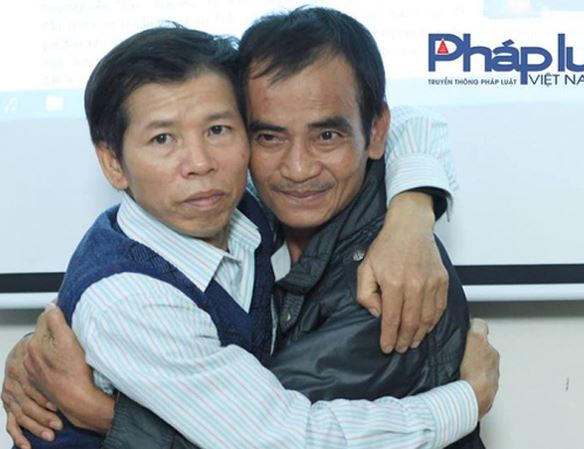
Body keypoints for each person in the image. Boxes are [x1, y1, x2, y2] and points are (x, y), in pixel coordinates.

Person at [3, 12, 499, 449]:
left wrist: (413, 211)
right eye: (163, 139)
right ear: (113, 163)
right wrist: (466, 401)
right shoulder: (133, 298)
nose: (199, 163)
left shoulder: (253, 211)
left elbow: (403, 119)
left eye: (217, 129)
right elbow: (282, 438)